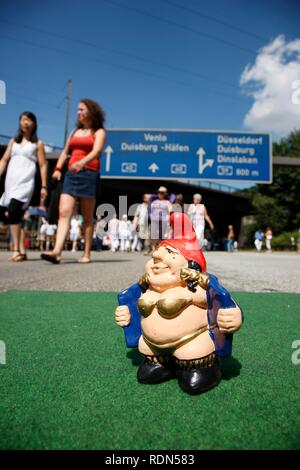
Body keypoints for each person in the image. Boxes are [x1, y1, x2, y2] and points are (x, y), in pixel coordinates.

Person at [115, 213, 243, 395]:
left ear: (190, 265)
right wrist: (126, 314)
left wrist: (233, 316)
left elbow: (224, 303)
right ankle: (160, 364)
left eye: (170, 253)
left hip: (192, 349)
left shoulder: (199, 290)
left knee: (193, 368)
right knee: (147, 373)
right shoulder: (144, 289)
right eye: (154, 257)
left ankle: (202, 369)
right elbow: (133, 308)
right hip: (154, 350)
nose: (156, 257)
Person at [41, 99, 106, 264]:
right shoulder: (74, 131)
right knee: (64, 212)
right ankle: (56, 251)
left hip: (89, 174)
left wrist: (82, 162)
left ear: (91, 111)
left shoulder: (98, 132)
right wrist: (57, 169)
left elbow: (97, 151)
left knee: (87, 216)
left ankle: (86, 253)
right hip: (71, 174)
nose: (78, 112)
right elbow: (65, 152)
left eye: (81, 109)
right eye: (77, 110)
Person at [0, 111, 47, 261]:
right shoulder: (13, 142)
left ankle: (16, 249)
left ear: (34, 124)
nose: (26, 123)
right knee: (16, 215)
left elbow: (43, 165)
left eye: (29, 120)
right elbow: (4, 160)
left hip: (25, 182)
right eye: (23, 120)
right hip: (11, 182)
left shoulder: (37, 144)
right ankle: (21, 248)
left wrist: (44, 186)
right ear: (20, 122)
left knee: (13, 211)